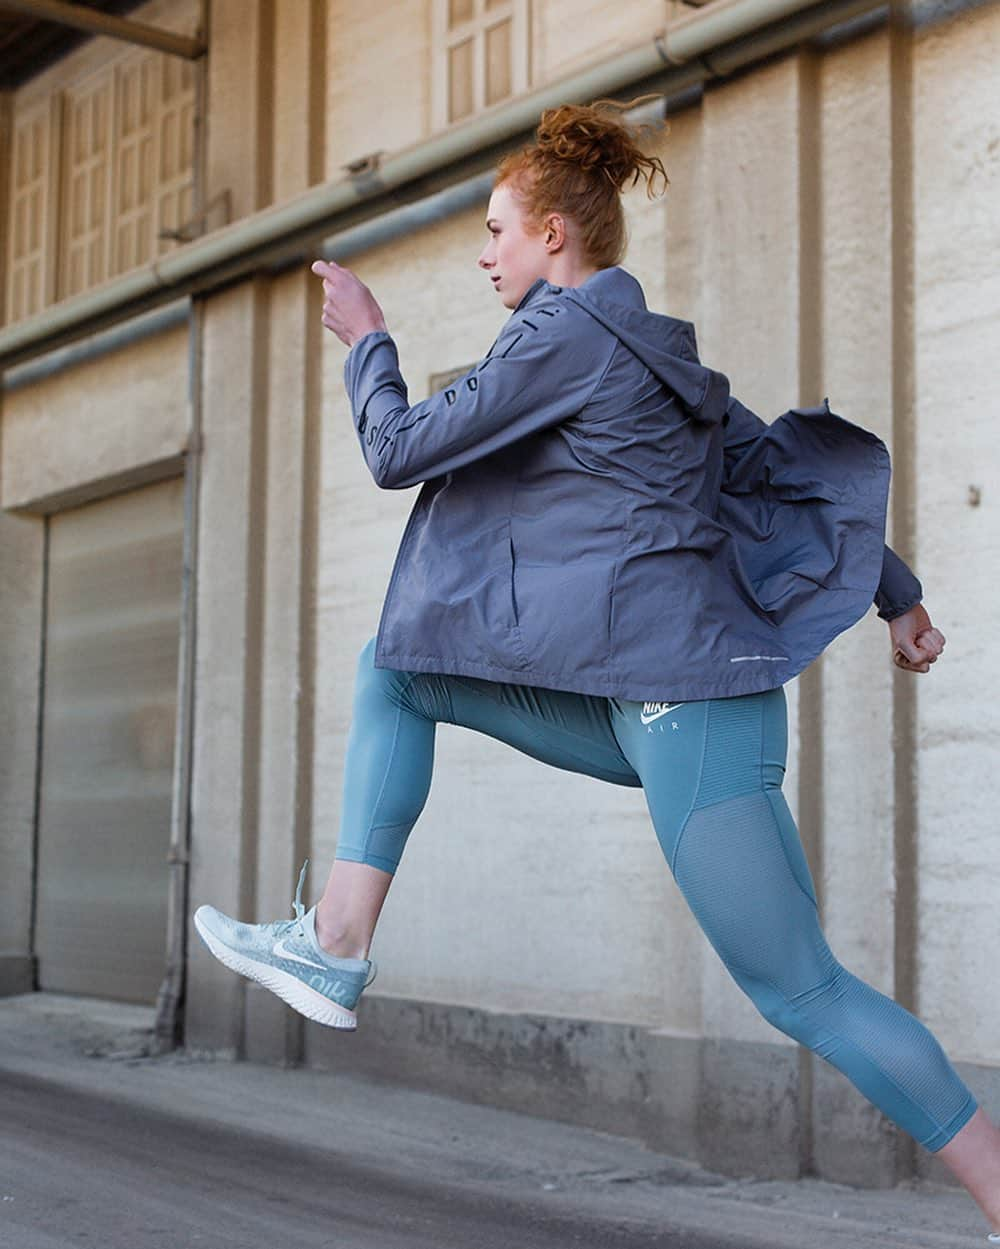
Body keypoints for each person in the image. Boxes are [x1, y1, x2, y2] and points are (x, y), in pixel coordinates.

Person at [194, 98, 1000, 1240]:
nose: (484, 255)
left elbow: (396, 451)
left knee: (802, 990)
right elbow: (764, 468)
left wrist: (367, 337)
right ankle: (334, 940)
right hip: (648, 704)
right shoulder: (650, 353)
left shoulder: (560, 339)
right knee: (397, 664)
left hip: (689, 713)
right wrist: (896, 592)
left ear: (553, 240)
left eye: (492, 233)